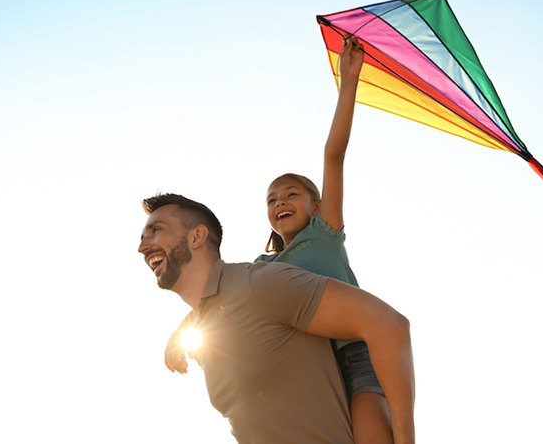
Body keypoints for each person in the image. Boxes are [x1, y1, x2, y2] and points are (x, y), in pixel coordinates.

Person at [164, 37, 393, 442]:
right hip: (310, 367)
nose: (280, 202)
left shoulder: (326, 231)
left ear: (316, 206)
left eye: (291, 194)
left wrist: (349, 82)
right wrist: (178, 337)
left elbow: (333, 155)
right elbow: (216, 297)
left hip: (353, 350)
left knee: (373, 431)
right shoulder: (264, 267)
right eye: (272, 199)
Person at [138, 193, 415, 444]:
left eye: (155, 231)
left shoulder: (259, 284)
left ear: (197, 237)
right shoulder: (204, 332)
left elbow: (389, 326)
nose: (142, 247)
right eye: (142, 236)